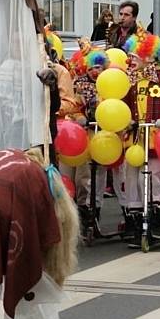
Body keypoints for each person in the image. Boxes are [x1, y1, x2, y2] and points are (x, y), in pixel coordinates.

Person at [121, 33, 160, 247]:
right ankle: (138, 228)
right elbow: (121, 105)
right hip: (134, 140)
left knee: (148, 181)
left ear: (149, 56)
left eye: (135, 55)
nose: (131, 60)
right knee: (131, 183)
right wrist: (125, 120)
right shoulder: (129, 80)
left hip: (156, 141)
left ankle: (157, 229)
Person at [67, 50, 111, 235]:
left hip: (104, 135)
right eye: (92, 67)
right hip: (85, 134)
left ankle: (96, 210)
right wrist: (79, 117)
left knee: (99, 174)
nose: (95, 71)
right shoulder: (80, 84)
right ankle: (84, 212)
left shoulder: (109, 83)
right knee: (83, 176)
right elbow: (75, 106)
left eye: (99, 67)